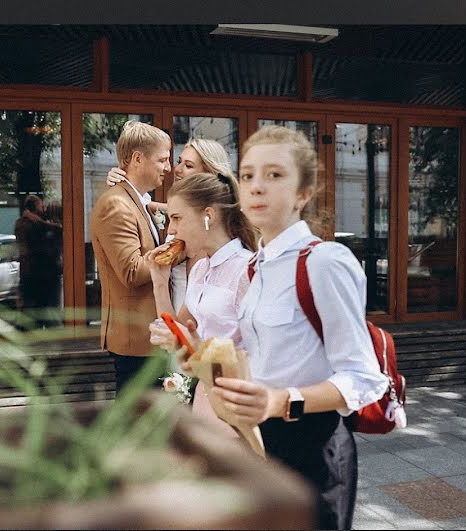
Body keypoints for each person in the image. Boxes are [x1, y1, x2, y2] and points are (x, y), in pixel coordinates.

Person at [168, 126, 388, 530]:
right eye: (249, 175)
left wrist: (279, 402)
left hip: (315, 446)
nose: (256, 187)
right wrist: (191, 353)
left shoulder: (324, 262)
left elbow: (364, 379)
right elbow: (256, 362)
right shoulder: (258, 266)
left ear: (304, 192)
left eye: (274, 175)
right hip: (260, 441)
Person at [144, 172, 256, 438]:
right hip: (203, 399)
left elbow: (264, 356)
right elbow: (179, 330)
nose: (170, 230)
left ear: (209, 215)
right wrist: (159, 282)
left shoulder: (246, 270)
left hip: (235, 405)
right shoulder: (200, 268)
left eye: (177, 218)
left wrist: (198, 353)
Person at [107, 138, 236, 312]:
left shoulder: (205, 233)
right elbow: (148, 206)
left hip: (189, 318)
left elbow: (198, 304)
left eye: (188, 166)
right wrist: (126, 182)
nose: (177, 169)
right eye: (179, 161)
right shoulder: (193, 216)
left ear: (208, 175)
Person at [90, 121, 172, 393]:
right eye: (162, 159)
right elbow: (132, 272)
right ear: (138, 159)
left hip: (148, 336)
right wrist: (176, 248)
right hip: (136, 338)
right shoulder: (117, 204)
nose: (168, 167)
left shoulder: (140, 200)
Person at [14, 194, 63, 327]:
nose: (43, 209)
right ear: (35, 207)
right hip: (37, 272)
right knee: (41, 307)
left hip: (34, 272)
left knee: (36, 307)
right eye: (41, 206)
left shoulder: (30, 223)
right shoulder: (28, 224)